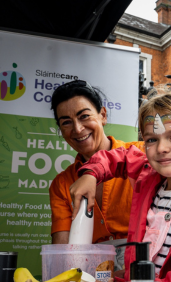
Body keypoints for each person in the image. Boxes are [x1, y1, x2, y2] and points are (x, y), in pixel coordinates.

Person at [69, 89, 171, 281]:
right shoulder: (149, 175)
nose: (162, 148)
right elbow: (119, 157)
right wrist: (91, 173)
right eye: (152, 140)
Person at [48, 80, 144, 269]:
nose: (77, 128)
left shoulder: (141, 154)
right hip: (94, 270)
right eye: (66, 122)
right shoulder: (61, 185)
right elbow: (63, 251)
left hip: (144, 264)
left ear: (103, 115)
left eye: (84, 116)